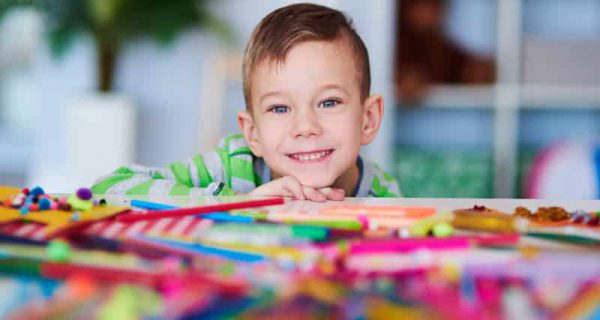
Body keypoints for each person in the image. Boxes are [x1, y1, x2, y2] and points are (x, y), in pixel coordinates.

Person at [91, 3, 400, 201]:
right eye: (280, 108)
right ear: (252, 134)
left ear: (368, 119)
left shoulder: (383, 197)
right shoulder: (233, 163)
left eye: (329, 102)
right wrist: (242, 203)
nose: (306, 127)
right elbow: (110, 187)